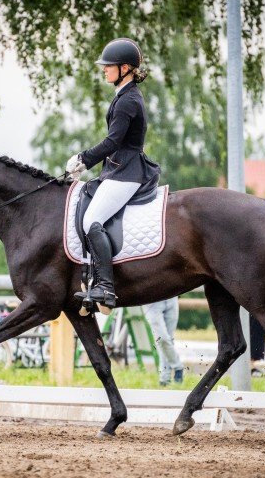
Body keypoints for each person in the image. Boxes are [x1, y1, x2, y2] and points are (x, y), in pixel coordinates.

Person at [66, 38, 161, 309]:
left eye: (109, 66)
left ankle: (106, 287)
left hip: (127, 172)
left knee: (91, 220)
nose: (104, 70)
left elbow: (113, 142)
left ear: (126, 68)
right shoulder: (123, 96)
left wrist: (83, 159)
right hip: (118, 169)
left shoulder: (128, 101)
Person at [142, 297, 184, 386]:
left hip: (172, 298)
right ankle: (178, 366)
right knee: (162, 339)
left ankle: (164, 380)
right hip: (151, 301)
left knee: (168, 340)